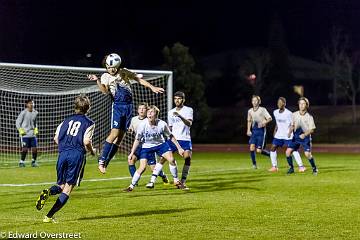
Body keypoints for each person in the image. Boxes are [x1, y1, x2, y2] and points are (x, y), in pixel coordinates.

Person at [88, 53, 164, 174]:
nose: (111, 70)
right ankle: (101, 160)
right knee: (114, 133)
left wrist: (152, 87)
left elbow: (139, 79)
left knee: (120, 139)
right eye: (109, 67)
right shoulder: (105, 76)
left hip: (128, 107)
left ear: (118, 66)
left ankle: (107, 161)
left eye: (114, 67)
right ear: (106, 66)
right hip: (117, 106)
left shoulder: (124, 72)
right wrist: (97, 80)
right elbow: (104, 91)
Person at [35, 95, 95, 223]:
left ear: (75, 107)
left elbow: (56, 139)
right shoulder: (89, 123)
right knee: (67, 189)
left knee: (61, 186)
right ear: (88, 107)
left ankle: (49, 191)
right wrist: (92, 151)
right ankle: (49, 216)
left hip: (62, 154)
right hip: (76, 155)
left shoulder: (65, 121)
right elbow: (86, 141)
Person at [124, 105, 184, 192]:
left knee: (171, 159)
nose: (149, 114)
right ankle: (131, 187)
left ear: (156, 115)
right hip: (147, 147)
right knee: (142, 167)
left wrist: (179, 148)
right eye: (148, 112)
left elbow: (170, 136)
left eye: (152, 112)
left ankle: (176, 180)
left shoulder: (162, 124)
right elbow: (137, 140)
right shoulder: (143, 125)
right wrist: (131, 153)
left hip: (161, 145)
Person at [153, 91, 193, 188]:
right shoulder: (170, 112)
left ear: (183, 99)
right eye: (175, 99)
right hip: (173, 139)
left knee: (187, 158)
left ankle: (182, 181)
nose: (177, 100)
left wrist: (179, 115)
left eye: (179, 98)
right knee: (163, 159)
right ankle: (152, 181)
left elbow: (189, 123)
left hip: (185, 139)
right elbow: (170, 128)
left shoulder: (188, 110)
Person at [127, 102, 169, 184]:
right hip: (139, 146)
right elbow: (131, 130)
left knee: (153, 168)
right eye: (140, 108)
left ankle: (163, 175)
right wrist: (130, 130)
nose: (141, 110)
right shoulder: (133, 119)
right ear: (137, 110)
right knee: (131, 160)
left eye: (143, 108)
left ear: (147, 111)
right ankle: (135, 182)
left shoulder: (149, 120)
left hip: (148, 146)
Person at [269, 97, 305, 172]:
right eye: (278, 102)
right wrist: (275, 131)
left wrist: (289, 132)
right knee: (272, 148)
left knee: (293, 150)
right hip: (279, 135)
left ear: (284, 104)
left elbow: (293, 124)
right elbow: (277, 123)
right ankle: (274, 167)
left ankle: (301, 166)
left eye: (281, 102)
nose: (279, 104)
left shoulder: (289, 113)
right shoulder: (275, 112)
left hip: (288, 136)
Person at [285, 97, 318, 175]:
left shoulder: (309, 117)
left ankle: (314, 168)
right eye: (300, 104)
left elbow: (312, 129)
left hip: (305, 138)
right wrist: (289, 132)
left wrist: (305, 134)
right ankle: (291, 168)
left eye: (303, 104)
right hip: (296, 137)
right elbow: (292, 125)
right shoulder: (294, 114)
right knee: (288, 152)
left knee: (307, 154)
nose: (301, 105)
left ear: (306, 105)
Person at [246, 95, 272, 169]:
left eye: (256, 100)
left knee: (259, 151)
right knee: (251, 148)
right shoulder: (250, 111)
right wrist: (248, 130)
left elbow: (270, 118)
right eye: (253, 100)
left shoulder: (262, 110)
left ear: (259, 102)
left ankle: (270, 155)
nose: (254, 102)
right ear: (251, 102)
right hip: (254, 131)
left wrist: (264, 123)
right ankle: (254, 165)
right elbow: (249, 120)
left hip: (261, 131)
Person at [16, 99, 39, 167]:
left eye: (32, 103)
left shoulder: (35, 112)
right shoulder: (23, 113)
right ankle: (21, 162)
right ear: (27, 105)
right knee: (25, 149)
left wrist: (36, 129)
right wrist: (20, 130)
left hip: (32, 134)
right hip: (25, 134)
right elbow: (17, 122)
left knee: (35, 149)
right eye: (30, 103)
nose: (31, 104)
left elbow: (35, 123)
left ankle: (33, 162)